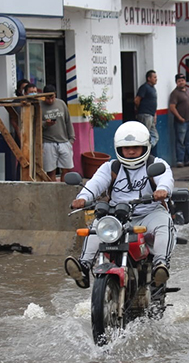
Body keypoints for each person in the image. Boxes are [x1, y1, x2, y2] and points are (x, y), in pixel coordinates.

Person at [64, 121, 176, 289]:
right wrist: (83, 197)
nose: (131, 151)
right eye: (126, 148)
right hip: (118, 215)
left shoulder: (156, 164)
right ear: (119, 148)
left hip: (149, 213)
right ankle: (84, 267)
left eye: (136, 147)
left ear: (145, 147)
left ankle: (160, 265)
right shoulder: (111, 167)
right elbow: (95, 183)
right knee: (97, 225)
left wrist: (162, 190)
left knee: (164, 224)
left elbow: (166, 179)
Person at [41, 84, 75, 182]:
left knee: (67, 169)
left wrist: (71, 138)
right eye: (47, 98)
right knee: (51, 170)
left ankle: (63, 188)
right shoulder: (39, 106)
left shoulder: (61, 104)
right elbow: (36, 124)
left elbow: (68, 121)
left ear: (55, 95)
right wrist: (45, 124)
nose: (50, 100)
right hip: (48, 142)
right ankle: (52, 189)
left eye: (52, 97)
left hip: (64, 141)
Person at [169, 73, 189, 168]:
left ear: (185, 81)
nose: (181, 82)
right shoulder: (175, 93)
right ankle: (180, 161)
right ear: (176, 82)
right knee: (180, 142)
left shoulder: (188, 91)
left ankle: (188, 160)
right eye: (179, 81)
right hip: (181, 122)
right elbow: (172, 107)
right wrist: (179, 117)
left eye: (182, 80)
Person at [134, 70, 159, 147]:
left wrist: (154, 114)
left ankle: (147, 148)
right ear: (149, 78)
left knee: (154, 136)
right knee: (144, 135)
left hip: (151, 115)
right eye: (154, 77)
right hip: (145, 115)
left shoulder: (153, 89)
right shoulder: (144, 87)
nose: (156, 79)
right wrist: (141, 110)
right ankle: (142, 148)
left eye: (156, 77)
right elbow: (137, 100)